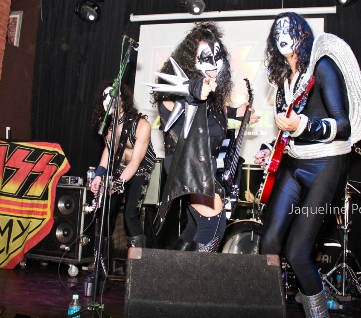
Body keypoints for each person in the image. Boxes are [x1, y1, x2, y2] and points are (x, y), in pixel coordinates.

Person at [254, 12, 361, 317]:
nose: (282, 35)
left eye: (289, 29)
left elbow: (343, 125)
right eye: (277, 31)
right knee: (268, 242)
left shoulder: (323, 67)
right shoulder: (284, 80)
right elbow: (287, 130)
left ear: (303, 35)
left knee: (297, 252)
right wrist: (270, 150)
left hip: (325, 165)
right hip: (293, 163)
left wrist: (303, 126)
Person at [148, 22, 260, 252]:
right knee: (213, 224)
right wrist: (194, 89)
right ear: (190, 61)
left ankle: (173, 271)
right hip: (189, 164)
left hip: (201, 164)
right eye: (207, 57)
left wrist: (236, 113)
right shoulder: (179, 90)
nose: (215, 64)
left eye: (218, 57)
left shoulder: (210, 96)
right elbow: (182, 95)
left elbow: (208, 112)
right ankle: (195, 274)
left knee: (194, 227)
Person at [90, 80, 156, 274]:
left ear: (122, 99)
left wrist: (118, 184)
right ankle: (101, 265)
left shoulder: (141, 125)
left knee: (130, 215)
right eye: (105, 98)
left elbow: (135, 162)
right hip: (119, 168)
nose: (107, 101)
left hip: (139, 170)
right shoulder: (109, 125)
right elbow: (108, 151)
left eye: (112, 97)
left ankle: (137, 269)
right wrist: (99, 175)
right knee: (106, 214)